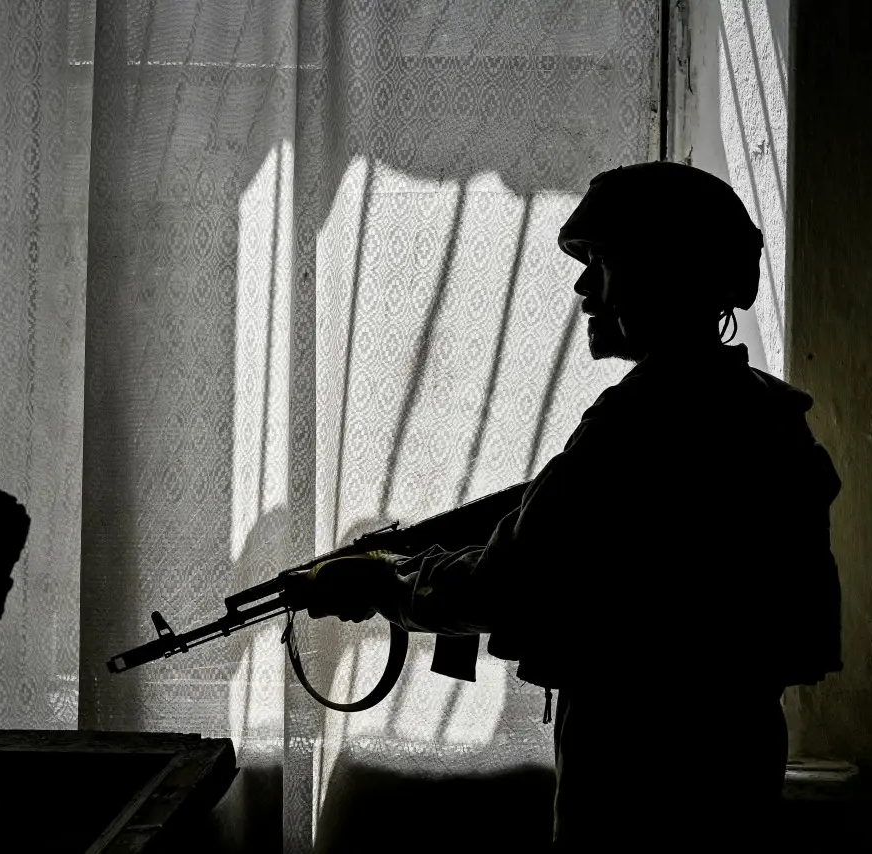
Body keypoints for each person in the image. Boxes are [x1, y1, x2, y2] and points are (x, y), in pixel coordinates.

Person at [305, 162, 843, 850]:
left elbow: (510, 582)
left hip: (636, 783)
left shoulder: (642, 419)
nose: (585, 287)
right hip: (733, 768)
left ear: (662, 269)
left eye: (604, 262)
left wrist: (388, 585)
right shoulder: (767, 412)